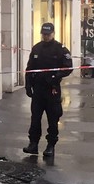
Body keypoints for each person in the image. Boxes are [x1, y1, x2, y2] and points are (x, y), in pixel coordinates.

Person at [23, 22, 73, 158]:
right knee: (35, 118)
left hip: (52, 89)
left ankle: (51, 145)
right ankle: (33, 144)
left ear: (53, 33)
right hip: (38, 89)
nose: (46, 37)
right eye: (44, 34)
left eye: (48, 34)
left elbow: (68, 67)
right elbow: (30, 68)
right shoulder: (37, 48)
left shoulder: (60, 49)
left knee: (53, 118)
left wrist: (55, 76)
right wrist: (28, 85)